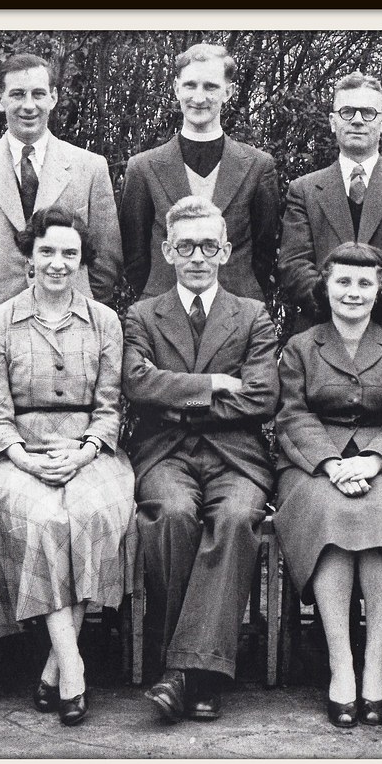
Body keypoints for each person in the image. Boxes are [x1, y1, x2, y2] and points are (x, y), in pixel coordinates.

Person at [0, 206, 136, 727]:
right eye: (47, 251)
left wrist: (86, 450)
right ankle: (72, 665)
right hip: (17, 455)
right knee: (46, 520)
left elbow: (110, 407)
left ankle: (54, 664)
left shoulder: (105, 321)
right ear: (29, 255)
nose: (57, 263)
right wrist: (26, 458)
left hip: (90, 451)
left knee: (89, 515)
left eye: (69, 253)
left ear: (83, 260)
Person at [122, 195, 280, 723]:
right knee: (171, 516)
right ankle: (203, 674)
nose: (196, 256)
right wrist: (212, 384)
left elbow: (261, 396)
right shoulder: (142, 314)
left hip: (237, 456)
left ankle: (184, 674)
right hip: (163, 452)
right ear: (167, 250)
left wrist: (178, 402)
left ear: (226, 250)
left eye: (208, 245)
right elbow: (136, 384)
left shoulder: (253, 315)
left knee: (236, 520)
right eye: (185, 245)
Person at [274, 243, 382, 728]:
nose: (353, 292)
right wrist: (331, 463)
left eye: (364, 283)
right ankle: (341, 664)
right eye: (343, 281)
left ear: (379, 287)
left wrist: (374, 460)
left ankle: (375, 663)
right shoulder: (302, 345)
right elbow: (292, 416)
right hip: (312, 465)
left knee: (381, 514)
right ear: (326, 285)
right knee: (332, 513)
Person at [0, 53, 122, 317]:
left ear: (54, 98)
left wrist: (84, 304)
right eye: (17, 94)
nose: (28, 105)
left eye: (38, 94)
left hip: (69, 321)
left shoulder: (90, 167)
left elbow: (106, 258)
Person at [277, 71, 382, 346]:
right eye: (347, 111)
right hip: (319, 337)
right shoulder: (303, 189)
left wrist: (370, 304)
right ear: (332, 121)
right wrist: (338, 306)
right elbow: (293, 264)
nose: (358, 120)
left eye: (368, 112)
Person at [120, 42, 280, 303]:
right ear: (176, 88)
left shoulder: (258, 166)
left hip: (237, 311)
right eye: (190, 85)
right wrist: (156, 298)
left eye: (211, 87)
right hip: (163, 311)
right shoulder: (143, 167)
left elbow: (264, 251)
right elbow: (134, 254)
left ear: (228, 92)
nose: (199, 97)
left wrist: (241, 298)